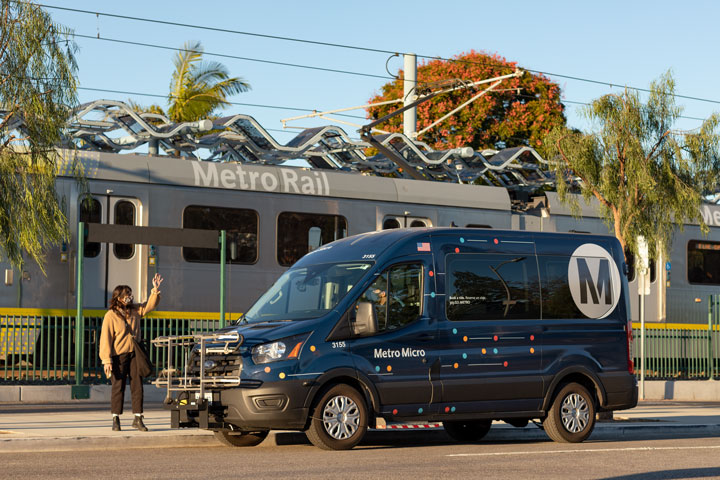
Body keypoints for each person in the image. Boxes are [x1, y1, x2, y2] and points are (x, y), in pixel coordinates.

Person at [99, 273, 163, 431]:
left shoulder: (135, 311)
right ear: (119, 298)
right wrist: (106, 360)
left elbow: (150, 306)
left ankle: (138, 418)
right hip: (118, 356)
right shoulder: (111, 316)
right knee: (118, 386)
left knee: (137, 386)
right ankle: (116, 419)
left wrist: (155, 290)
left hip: (135, 354)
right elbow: (105, 339)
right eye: (127, 295)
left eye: (130, 294)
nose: (130, 297)